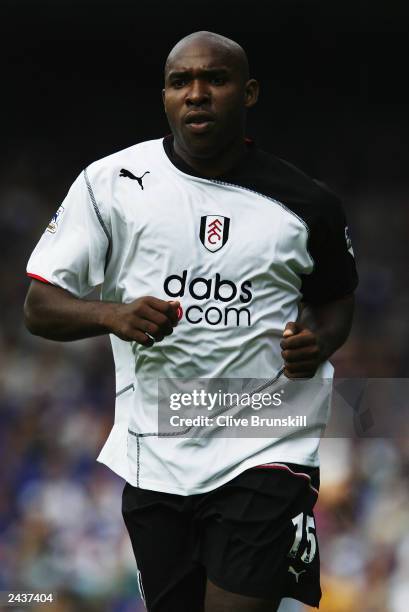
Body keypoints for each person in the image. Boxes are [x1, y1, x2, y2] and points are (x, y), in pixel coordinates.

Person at [24, 31, 358, 612]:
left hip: (266, 442)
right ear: (165, 97)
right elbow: (39, 306)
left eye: (215, 80)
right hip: (157, 449)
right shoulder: (112, 184)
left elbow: (336, 300)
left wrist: (319, 341)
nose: (197, 94)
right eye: (182, 82)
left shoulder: (307, 204)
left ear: (248, 92)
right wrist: (114, 314)